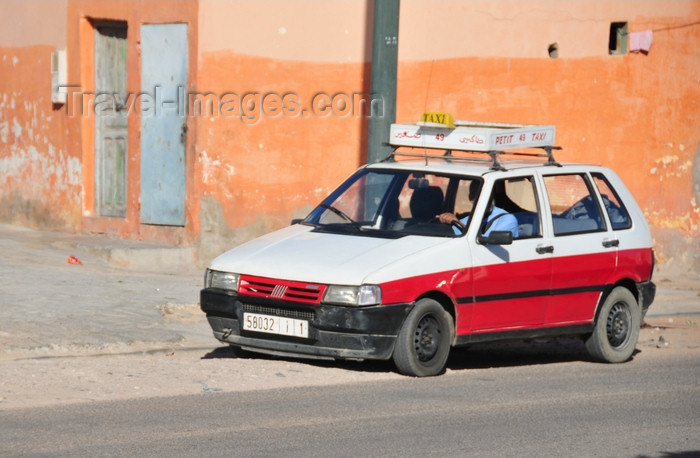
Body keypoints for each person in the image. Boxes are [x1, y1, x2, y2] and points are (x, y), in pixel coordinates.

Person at [437, 181, 519, 237]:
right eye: (477, 196)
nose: (483, 199)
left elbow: (486, 244)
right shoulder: (465, 220)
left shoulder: (507, 219)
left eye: (486, 195)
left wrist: (458, 223)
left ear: (492, 196)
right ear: (471, 198)